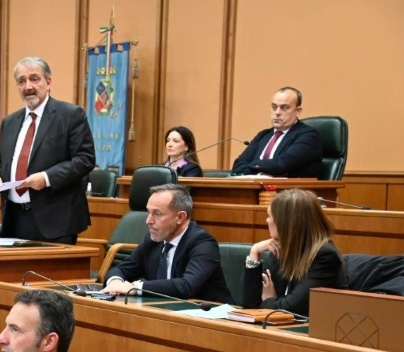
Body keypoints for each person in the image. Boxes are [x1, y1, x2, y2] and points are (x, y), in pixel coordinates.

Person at [0, 57, 95, 245]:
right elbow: (0, 162)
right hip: (14, 218)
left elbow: (85, 159)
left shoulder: (70, 115)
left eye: (34, 79)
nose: (28, 86)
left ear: (48, 82)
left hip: (55, 220)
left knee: (48, 275)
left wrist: (46, 178)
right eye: (22, 81)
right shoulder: (10, 122)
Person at [102, 184, 234, 304]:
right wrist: (115, 282)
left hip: (211, 319)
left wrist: (134, 288)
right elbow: (120, 269)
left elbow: (187, 286)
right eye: (149, 212)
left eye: (157, 214)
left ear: (180, 217)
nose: (148, 220)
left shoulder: (203, 243)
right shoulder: (153, 241)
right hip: (165, 312)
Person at [243, 188, 345, 316]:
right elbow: (250, 305)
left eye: (269, 216)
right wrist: (254, 252)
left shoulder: (324, 256)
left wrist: (269, 301)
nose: (267, 221)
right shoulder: (278, 249)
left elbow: (293, 307)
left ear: (286, 223)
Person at [231, 87, 323, 178]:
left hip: (290, 191)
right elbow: (238, 166)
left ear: (298, 111)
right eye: (274, 107)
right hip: (256, 189)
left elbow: (282, 165)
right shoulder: (263, 135)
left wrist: (254, 165)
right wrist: (259, 168)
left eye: (284, 108)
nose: (277, 112)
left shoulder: (309, 136)